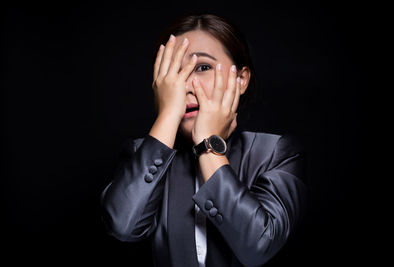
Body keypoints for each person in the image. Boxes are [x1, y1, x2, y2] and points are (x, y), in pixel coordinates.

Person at [100, 13, 307, 267]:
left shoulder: (275, 153)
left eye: (203, 67)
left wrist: (209, 143)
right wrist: (167, 115)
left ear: (241, 79)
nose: (186, 86)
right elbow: (122, 225)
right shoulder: (141, 154)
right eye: (174, 72)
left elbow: (258, 246)